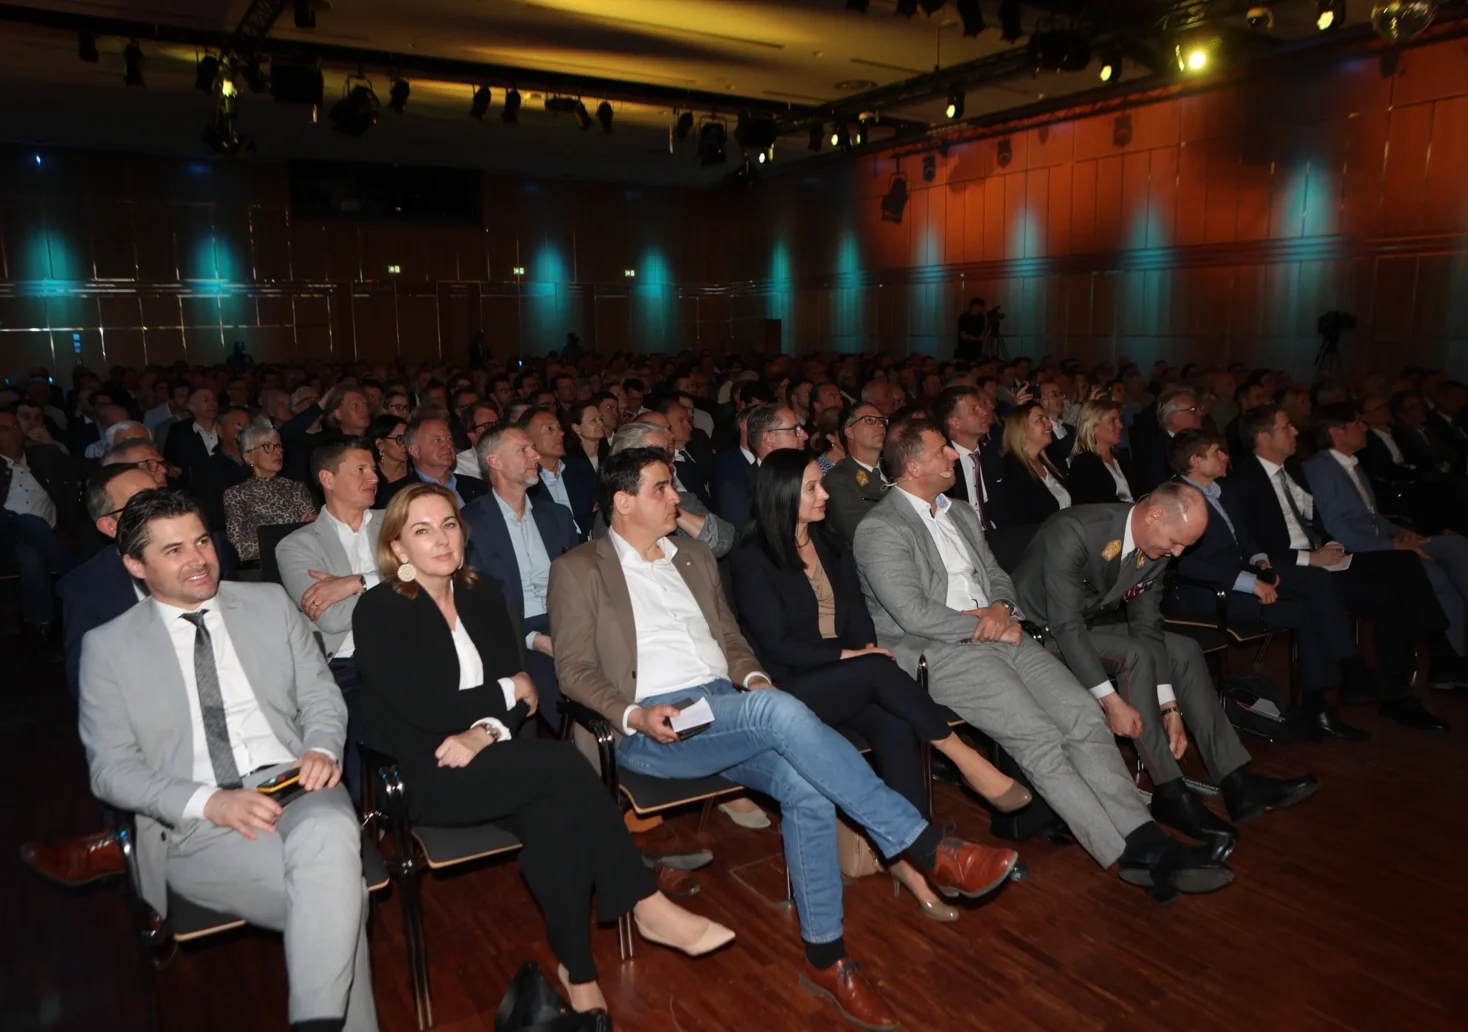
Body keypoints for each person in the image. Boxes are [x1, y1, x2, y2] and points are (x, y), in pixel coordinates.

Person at [551, 447, 1020, 1031]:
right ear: (622, 503)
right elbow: (573, 671)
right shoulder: (580, 568)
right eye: (661, 489)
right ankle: (924, 846)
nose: (677, 498)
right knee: (780, 713)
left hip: (725, 705)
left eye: (674, 485)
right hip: (654, 723)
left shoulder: (692, 556)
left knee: (806, 787)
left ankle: (827, 959)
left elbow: (732, 638)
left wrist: (751, 679)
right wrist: (631, 715)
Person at [354, 482, 731, 1015]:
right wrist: (508, 692)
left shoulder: (482, 593)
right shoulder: (379, 610)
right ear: (398, 550)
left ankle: (578, 973)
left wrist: (486, 727)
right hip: (428, 773)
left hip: (497, 757)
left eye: (448, 525)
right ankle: (645, 902)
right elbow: (432, 708)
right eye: (422, 530)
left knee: (556, 818)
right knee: (560, 763)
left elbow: (521, 704)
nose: (441, 539)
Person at [854, 419, 1233, 901]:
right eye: (941, 452)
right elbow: (910, 612)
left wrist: (1000, 610)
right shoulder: (881, 527)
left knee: (1082, 716)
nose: (954, 456)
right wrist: (985, 623)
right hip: (938, 650)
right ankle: (1126, 853)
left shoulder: (962, 514)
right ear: (912, 466)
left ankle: (1144, 837)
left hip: (1000, 633)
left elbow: (999, 578)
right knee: (1039, 736)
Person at [77, 489, 377, 1032]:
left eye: (201, 541)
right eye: (173, 551)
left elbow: (320, 696)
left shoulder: (267, 604)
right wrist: (210, 802)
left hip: (298, 784)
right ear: (134, 564)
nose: (198, 559)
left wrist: (321, 748)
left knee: (329, 831)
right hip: (195, 823)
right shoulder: (109, 647)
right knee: (339, 900)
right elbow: (110, 769)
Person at [735, 450, 1033, 920]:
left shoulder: (831, 545)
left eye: (822, 485)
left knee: (896, 725)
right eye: (812, 487)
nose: (824, 495)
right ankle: (966, 759)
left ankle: (911, 862)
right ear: (782, 495)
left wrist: (862, 650)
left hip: (849, 679)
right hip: (790, 688)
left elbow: (858, 620)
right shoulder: (752, 560)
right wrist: (854, 656)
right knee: (876, 669)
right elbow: (775, 648)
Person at [1011, 484, 1320, 857]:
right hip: (1038, 634)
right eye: (1176, 543)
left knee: (1184, 649)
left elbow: (1146, 626)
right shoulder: (1075, 529)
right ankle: (1170, 791)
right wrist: (1111, 703)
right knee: (1134, 655)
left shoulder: (1157, 544)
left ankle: (1237, 782)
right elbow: (1065, 626)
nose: (1178, 553)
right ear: (1155, 515)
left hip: (1089, 626)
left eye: (1184, 547)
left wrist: (1169, 706)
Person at [1230, 404, 1452, 731]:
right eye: (1287, 427)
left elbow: (1313, 522)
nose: (1296, 432)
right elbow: (1253, 547)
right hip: (1290, 569)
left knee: (1403, 565)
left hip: (1322, 560)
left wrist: (1329, 545)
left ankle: (1415, 671)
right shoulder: (1244, 481)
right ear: (1263, 437)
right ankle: (1382, 682)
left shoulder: (1293, 470)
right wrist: (1310, 557)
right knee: (1373, 593)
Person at [1168, 428, 1370, 740]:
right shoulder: (1177, 499)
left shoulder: (1222, 491)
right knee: (1307, 609)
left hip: (1242, 575)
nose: (1226, 456)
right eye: (1216, 452)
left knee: (1316, 582)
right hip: (1208, 593)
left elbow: (1246, 539)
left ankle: (1326, 696)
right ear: (1195, 461)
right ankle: (1326, 698)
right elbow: (1188, 562)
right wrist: (1251, 582)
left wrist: (1261, 561)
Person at [1304, 405, 1468, 684]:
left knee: (1458, 544)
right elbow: (1337, 529)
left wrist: (1402, 533)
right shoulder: (1320, 469)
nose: (1365, 427)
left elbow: (1375, 517)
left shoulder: (1352, 464)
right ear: (1336, 432)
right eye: (1357, 422)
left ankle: (1453, 655)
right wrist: (1393, 546)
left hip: (1384, 538)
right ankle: (1449, 662)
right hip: (1360, 551)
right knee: (1433, 574)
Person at [460, 424, 579, 732]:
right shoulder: (468, 524)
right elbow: (475, 607)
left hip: (567, 624)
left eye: (533, 448)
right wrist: (534, 639)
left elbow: (582, 584)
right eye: (523, 450)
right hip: (511, 635)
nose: (535, 455)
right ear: (494, 461)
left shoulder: (556, 516)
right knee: (566, 697)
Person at [1, 405, 80, 652]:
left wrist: (53, 446)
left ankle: (42, 628)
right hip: (5, 536)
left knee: (30, 555)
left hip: (48, 536)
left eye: (15, 426)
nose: (13, 433)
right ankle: (78, 580)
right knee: (28, 522)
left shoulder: (42, 457)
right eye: (4, 429)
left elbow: (79, 470)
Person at [606, 419, 736, 558]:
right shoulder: (617, 509)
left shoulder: (679, 496)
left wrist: (670, 508)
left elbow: (724, 540)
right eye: (657, 453)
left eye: (668, 450)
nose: (671, 456)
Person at [223, 423, 316, 564]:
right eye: (267, 447)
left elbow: (314, 536)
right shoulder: (236, 494)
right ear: (248, 457)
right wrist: (295, 530)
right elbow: (240, 550)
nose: (277, 452)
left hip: (302, 562)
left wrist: (262, 536)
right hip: (263, 571)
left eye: (278, 446)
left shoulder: (297, 488)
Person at [712, 403, 806, 527]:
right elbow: (743, 541)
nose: (805, 435)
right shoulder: (737, 488)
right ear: (769, 438)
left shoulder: (806, 474)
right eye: (796, 430)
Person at [377, 413, 486, 510]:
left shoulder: (479, 487)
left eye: (449, 438)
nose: (448, 445)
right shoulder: (395, 496)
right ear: (415, 450)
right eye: (437, 440)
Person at [994, 401, 1070, 528]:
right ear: (1021, 429)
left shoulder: (1049, 461)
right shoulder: (1012, 465)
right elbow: (1022, 517)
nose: (1049, 424)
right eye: (1040, 419)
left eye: (1047, 418)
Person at [522, 407, 595, 538]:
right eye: (549, 429)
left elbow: (597, 513)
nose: (561, 433)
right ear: (528, 438)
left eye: (559, 427)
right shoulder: (523, 480)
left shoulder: (580, 468)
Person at [822, 404, 889, 544]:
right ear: (849, 432)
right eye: (870, 420)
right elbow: (862, 535)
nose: (880, 425)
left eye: (882, 420)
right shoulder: (838, 479)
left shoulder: (896, 467)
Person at [192, 407, 253, 536]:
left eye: (248, 426)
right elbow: (212, 515)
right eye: (238, 425)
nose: (244, 431)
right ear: (220, 431)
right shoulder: (208, 468)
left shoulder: (260, 462)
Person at [1066, 398, 1137, 505]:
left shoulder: (1122, 460)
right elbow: (1097, 505)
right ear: (1093, 427)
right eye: (1112, 421)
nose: (1120, 426)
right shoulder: (1084, 464)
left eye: (1119, 420)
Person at [1133, 387, 1204, 494]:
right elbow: (1162, 489)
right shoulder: (1156, 451)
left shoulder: (1202, 442)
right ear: (1172, 416)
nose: (1200, 414)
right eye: (1193, 410)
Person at [161, 386, 221, 484]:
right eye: (206, 400)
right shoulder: (179, 431)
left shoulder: (226, 427)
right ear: (191, 406)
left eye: (214, 400)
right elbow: (170, 463)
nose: (212, 404)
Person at [366, 414, 410, 506]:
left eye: (407, 438)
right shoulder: (370, 475)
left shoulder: (415, 472)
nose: (406, 443)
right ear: (380, 444)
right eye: (400, 439)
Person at [454, 400, 500, 478]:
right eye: (488, 425)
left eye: (498, 423)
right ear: (471, 434)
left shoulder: (513, 456)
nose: (496, 429)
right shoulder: (459, 467)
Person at [1039, 381, 1076, 465]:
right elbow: (1061, 451)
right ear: (1041, 399)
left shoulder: (1070, 429)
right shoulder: (1040, 432)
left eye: (1061, 394)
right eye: (1054, 394)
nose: (1061, 398)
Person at [956, 297, 988, 361]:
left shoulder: (980, 316)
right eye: (980, 306)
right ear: (973, 306)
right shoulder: (964, 317)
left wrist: (981, 338)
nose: (981, 308)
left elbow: (982, 330)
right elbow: (963, 335)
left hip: (977, 346)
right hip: (966, 346)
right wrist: (975, 338)